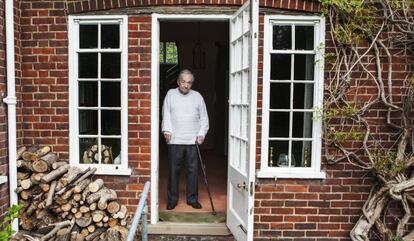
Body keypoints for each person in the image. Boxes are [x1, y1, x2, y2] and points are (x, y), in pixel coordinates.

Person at [161, 69, 209, 210]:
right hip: (175, 139)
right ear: (178, 81)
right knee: (173, 171)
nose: (186, 85)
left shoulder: (197, 96)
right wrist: (167, 130)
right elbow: (166, 114)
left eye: (189, 83)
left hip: (192, 141)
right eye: (183, 82)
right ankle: (172, 200)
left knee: (192, 171)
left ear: (191, 84)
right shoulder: (170, 94)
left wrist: (201, 134)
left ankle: (192, 199)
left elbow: (204, 118)